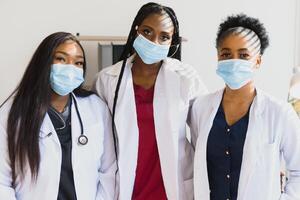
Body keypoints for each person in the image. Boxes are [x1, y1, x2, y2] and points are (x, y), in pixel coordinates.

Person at [93, 2, 207, 200]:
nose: (154, 41)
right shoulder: (108, 80)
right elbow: (96, 141)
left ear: (172, 43)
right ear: (135, 31)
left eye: (164, 37)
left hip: (174, 187)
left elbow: (206, 132)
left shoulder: (185, 77)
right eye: (147, 32)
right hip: (126, 187)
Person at [191, 14, 300, 200]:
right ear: (218, 58)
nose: (234, 62)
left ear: (257, 61)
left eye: (243, 55)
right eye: (226, 54)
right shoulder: (201, 107)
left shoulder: (279, 113)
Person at [0, 32, 117, 200]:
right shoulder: (12, 114)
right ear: (43, 63)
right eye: (61, 59)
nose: (70, 68)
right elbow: (2, 181)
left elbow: (109, 171)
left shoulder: (96, 108)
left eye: (78, 63)